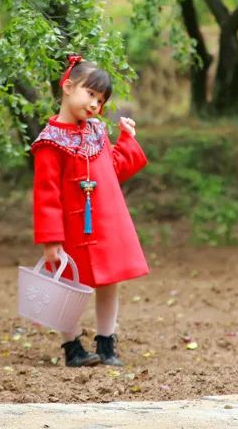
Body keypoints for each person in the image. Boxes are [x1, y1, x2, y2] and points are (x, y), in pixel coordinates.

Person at [31, 54, 149, 367]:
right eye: (90, 94)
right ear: (67, 87)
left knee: (109, 283)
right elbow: (46, 195)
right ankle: (72, 347)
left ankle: (107, 343)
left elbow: (110, 170)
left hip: (104, 225)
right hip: (71, 229)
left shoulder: (96, 130)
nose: (96, 104)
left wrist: (127, 140)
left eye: (101, 99)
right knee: (69, 286)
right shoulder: (49, 143)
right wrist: (50, 240)